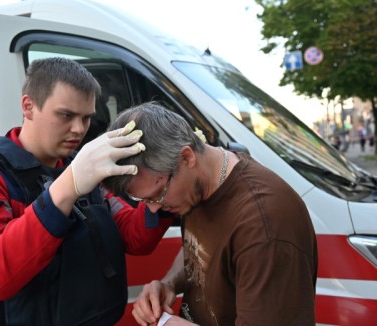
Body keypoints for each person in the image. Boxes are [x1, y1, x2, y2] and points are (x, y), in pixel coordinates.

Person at [0, 58, 173, 325]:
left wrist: (162, 192)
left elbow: (134, 236)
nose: (79, 129)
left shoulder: (80, 165)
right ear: (28, 106)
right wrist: (66, 188)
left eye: (87, 117)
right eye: (66, 115)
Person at [102, 102, 319, 325]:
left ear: (186, 157)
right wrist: (169, 284)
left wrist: (169, 324)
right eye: (142, 200)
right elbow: (199, 251)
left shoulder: (265, 224)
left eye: (157, 194)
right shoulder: (198, 188)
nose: (154, 208)